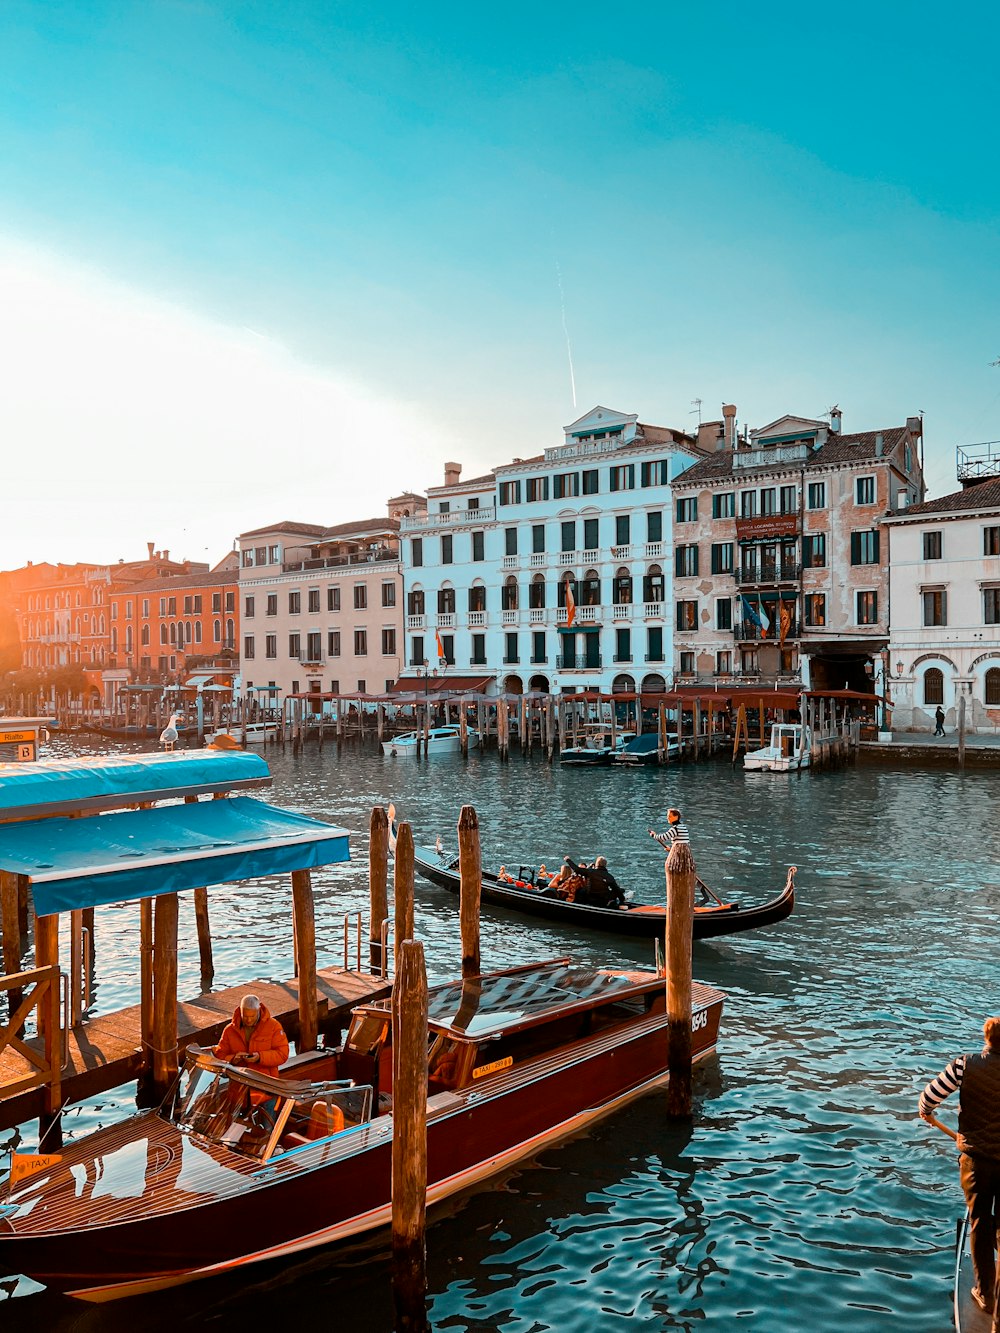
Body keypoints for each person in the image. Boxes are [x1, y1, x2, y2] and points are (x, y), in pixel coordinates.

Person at [919, 1016, 1000, 1317]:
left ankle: (985, 1294)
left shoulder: (965, 1064)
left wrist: (927, 1112)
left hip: (976, 1162)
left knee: (979, 1221)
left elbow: (928, 1098)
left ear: (987, 1039)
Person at [213, 994, 290, 1073]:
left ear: (259, 1010)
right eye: (245, 1016)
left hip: (266, 1081)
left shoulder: (274, 1026)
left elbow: (283, 1054)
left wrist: (260, 1057)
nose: (249, 1020)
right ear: (240, 1010)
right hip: (239, 1081)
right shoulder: (229, 1030)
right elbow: (219, 1056)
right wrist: (233, 1059)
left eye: (252, 1016)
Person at [563, 855, 627, 909]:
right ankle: (618, 903)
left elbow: (577, 869)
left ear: (597, 864)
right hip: (603, 899)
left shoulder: (590, 872)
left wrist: (568, 860)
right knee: (620, 890)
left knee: (581, 890)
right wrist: (622, 900)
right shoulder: (609, 876)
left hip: (590, 897)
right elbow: (616, 889)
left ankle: (580, 903)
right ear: (605, 865)